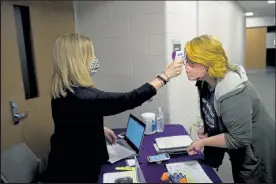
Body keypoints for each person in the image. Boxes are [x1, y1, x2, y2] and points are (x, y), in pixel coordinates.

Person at [41, 33, 183, 183]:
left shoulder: (62, 90)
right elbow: (129, 99)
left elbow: (72, 122)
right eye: (91, 55)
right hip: (75, 173)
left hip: (62, 162)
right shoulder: (84, 97)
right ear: (79, 61)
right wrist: (165, 76)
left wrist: (98, 128)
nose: (94, 59)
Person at [185, 35, 275, 183]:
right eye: (186, 61)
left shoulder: (233, 92)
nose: (186, 67)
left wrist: (203, 142)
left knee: (250, 177)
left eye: (192, 63)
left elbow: (239, 139)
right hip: (239, 141)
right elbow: (214, 109)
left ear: (208, 64)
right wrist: (210, 126)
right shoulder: (204, 81)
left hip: (256, 147)